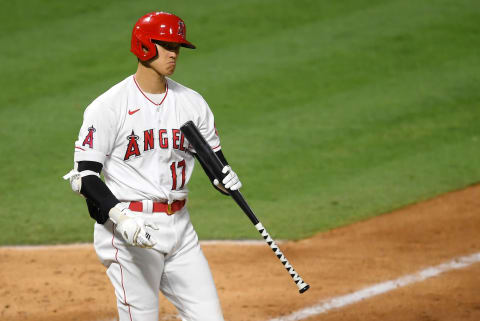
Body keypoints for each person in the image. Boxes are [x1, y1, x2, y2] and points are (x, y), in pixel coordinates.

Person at [63, 11, 242, 321]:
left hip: (181, 229)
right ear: (144, 46)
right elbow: (85, 175)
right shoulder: (109, 106)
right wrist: (120, 217)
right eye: (166, 45)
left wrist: (223, 178)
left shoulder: (192, 103)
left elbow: (214, 161)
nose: (174, 54)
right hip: (130, 230)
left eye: (177, 47)